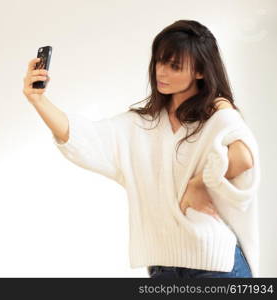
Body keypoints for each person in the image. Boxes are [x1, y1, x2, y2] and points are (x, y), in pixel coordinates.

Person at [22, 20, 260, 278]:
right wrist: (38, 100)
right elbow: (81, 135)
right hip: (162, 268)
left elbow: (244, 157)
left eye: (174, 66)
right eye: (159, 61)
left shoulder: (214, 116)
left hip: (215, 266)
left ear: (201, 72)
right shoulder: (139, 125)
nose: (162, 72)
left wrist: (198, 183)